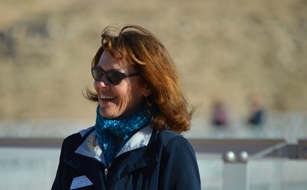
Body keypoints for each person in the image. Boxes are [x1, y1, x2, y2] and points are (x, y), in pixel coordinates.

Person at [52, 25, 201, 190]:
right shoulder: (73, 147)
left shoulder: (170, 149)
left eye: (115, 76)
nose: (101, 84)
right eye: (98, 73)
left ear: (147, 85)